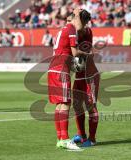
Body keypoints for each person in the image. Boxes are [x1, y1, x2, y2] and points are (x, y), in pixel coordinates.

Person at [48, 8, 89, 150]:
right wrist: (86, 54)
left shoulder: (63, 29)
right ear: (77, 19)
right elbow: (75, 52)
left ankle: (60, 139)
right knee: (65, 103)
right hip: (61, 70)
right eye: (82, 22)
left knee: (59, 105)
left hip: (53, 68)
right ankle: (65, 139)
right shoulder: (71, 28)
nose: (82, 26)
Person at [71, 10, 100, 147]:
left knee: (91, 107)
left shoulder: (85, 31)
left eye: (76, 18)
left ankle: (92, 139)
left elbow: (78, 28)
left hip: (90, 76)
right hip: (79, 76)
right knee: (77, 106)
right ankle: (82, 136)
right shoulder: (76, 31)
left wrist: (76, 15)